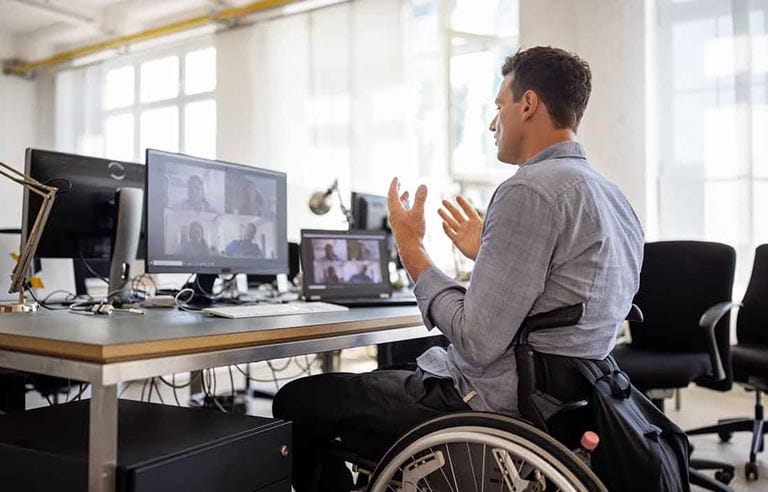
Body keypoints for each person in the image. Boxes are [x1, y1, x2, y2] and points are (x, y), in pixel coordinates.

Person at [273, 46, 644, 491]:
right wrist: (487, 257)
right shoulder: (612, 197)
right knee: (387, 372)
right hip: (566, 402)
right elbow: (564, 301)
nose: (493, 123)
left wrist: (412, 250)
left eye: (498, 106)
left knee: (299, 399)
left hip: (488, 405)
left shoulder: (529, 190)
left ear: (527, 105)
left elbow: (477, 339)